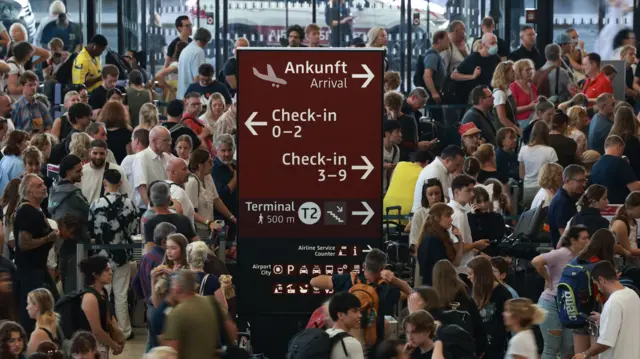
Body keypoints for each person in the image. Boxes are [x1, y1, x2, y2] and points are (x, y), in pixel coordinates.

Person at [532, 225, 589, 359]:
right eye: (584, 238)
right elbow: (536, 261)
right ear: (573, 240)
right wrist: (548, 278)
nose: (588, 240)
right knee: (551, 348)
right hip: (551, 303)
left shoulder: (583, 257)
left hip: (570, 305)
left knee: (569, 347)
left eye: (588, 237)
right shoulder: (562, 253)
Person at [572, 260, 640, 359]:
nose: (598, 288)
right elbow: (627, 322)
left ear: (602, 279)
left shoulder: (613, 303)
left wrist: (585, 354)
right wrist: (604, 318)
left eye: (596, 284)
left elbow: (605, 342)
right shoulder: (632, 294)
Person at [163, 269, 230, 359]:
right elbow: (231, 329)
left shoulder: (176, 314)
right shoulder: (211, 301)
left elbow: (170, 354)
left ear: (177, 288)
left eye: (172, 285)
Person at [48, 155, 90, 294]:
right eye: (78, 171)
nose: (81, 173)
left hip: (60, 243)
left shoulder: (53, 191)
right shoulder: (74, 195)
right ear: (68, 172)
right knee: (76, 285)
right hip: (76, 244)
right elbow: (89, 213)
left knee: (65, 282)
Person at [78, 255, 124, 357]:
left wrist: (119, 336)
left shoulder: (102, 292)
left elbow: (110, 319)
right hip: (90, 347)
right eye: (106, 270)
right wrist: (114, 345)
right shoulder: (90, 297)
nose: (111, 273)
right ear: (95, 274)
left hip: (101, 345)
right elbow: (97, 330)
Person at [467, 256, 512, 358]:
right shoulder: (475, 292)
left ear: (480, 275)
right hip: (479, 345)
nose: (468, 277)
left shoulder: (503, 294)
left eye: (470, 274)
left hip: (496, 348)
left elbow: (508, 326)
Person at [415, 203, 461, 286]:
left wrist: (460, 241)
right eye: (448, 216)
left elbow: (456, 263)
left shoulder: (441, 236)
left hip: (439, 284)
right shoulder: (432, 239)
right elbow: (440, 269)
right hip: (435, 286)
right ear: (437, 218)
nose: (451, 220)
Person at [412, 145, 464, 212]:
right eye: (457, 165)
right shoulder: (433, 171)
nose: (459, 168)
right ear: (448, 161)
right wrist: (449, 199)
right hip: (424, 215)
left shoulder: (448, 171)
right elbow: (432, 200)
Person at [590, 135, 640, 204]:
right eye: (623, 149)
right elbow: (635, 189)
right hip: (619, 207)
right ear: (618, 146)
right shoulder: (619, 162)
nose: (622, 153)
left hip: (602, 207)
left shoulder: (595, 166)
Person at [518, 121, 558, 208]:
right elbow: (554, 175)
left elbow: (521, 175)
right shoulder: (550, 151)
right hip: (544, 191)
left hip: (527, 189)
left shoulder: (523, 150)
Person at [326, 292, 365, 359]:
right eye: (355, 311)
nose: (360, 315)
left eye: (359, 311)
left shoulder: (326, 334)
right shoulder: (352, 343)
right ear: (341, 315)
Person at [610, 191, 640, 267]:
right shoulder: (620, 224)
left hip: (633, 261)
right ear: (630, 207)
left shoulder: (633, 220)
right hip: (623, 264)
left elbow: (633, 243)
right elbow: (627, 251)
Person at [25, 288, 59, 354]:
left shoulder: (38, 334)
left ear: (36, 306)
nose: (27, 307)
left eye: (28, 304)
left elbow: (30, 357)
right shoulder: (55, 325)